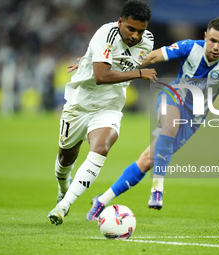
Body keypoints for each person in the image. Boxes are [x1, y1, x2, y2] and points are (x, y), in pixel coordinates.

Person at [84, 16, 219, 221]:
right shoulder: (189, 47)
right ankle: (157, 188)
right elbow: (152, 57)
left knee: (146, 161)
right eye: (213, 40)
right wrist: (112, 70)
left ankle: (101, 200)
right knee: (170, 126)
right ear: (205, 37)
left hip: (193, 119)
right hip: (172, 96)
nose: (216, 46)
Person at [47, 0, 157, 225]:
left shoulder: (148, 41)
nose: (136, 35)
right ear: (120, 22)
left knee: (101, 148)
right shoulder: (105, 34)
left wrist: (90, 58)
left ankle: (63, 206)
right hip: (79, 104)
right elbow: (101, 76)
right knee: (65, 157)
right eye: (131, 29)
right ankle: (63, 186)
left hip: (109, 106)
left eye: (140, 30)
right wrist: (138, 74)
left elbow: (125, 60)